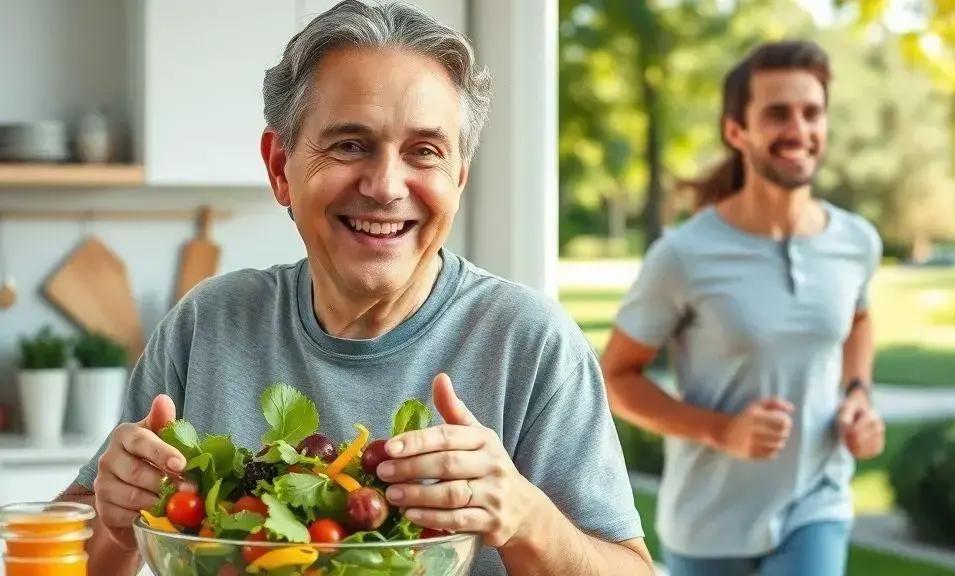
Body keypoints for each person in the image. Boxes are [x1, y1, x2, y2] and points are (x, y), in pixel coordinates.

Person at [56, 2, 652, 575]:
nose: (386, 185)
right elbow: (70, 553)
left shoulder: (531, 343)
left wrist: (527, 519)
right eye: (349, 145)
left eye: (425, 151)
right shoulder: (207, 324)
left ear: (459, 179)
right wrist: (112, 524)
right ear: (279, 166)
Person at [600, 40, 884, 576]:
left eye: (811, 112)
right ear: (737, 131)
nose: (799, 130)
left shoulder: (856, 241)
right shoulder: (684, 255)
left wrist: (858, 394)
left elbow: (859, 318)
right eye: (777, 114)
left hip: (815, 501)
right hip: (711, 520)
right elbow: (615, 377)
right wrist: (720, 430)